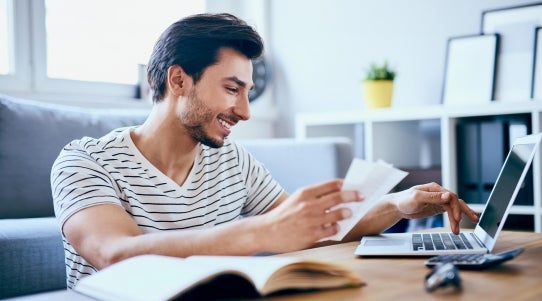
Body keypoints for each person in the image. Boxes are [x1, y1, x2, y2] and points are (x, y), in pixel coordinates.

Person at [51, 13, 479, 289]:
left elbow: (312, 227)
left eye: (248, 92)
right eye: (232, 89)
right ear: (178, 80)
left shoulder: (232, 160)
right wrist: (261, 232)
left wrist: (398, 205)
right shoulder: (85, 160)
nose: (245, 111)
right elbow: (112, 254)